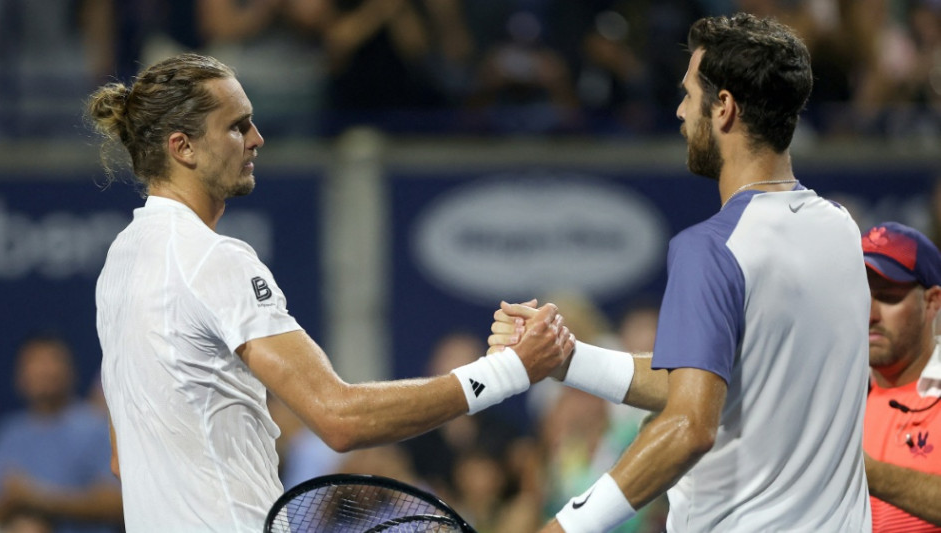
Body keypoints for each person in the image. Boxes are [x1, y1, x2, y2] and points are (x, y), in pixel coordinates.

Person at [85, 52, 573, 532]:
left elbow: (122, 459)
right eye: (237, 126)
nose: (256, 139)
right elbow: (341, 418)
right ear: (182, 148)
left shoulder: (120, 264)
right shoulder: (212, 259)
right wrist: (507, 371)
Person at [489, 13, 871, 532]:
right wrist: (566, 359)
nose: (679, 111)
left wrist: (566, 526)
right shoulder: (841, 231)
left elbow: (690, 425)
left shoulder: (712, 250)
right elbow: (705, 381)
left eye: (689, 95)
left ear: (725, 108)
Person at [0, 333, 123, 533]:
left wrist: (40, 499)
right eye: (34, 363)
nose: (43, 371)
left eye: (51, 361)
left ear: (71, 370)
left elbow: (119, 502)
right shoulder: (9, 432)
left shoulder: (96, 427)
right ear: (19, 375)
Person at [861, 221, 941, 531]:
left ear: (931, 301)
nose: (869, 314)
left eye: (888, 296)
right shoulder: (834, 395)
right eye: (860, 295)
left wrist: (871, 475)